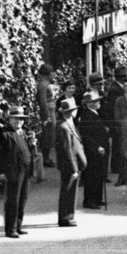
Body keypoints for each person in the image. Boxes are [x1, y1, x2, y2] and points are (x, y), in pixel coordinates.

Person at [0, 107, 40, 238]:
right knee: (13, 200)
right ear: (10, 120)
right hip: (13, 170)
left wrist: (33, 144)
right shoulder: (4, 133)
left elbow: (31, 152)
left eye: (21, 119)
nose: (18, 121)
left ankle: (18, 226)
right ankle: (10, 229)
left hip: (25, 169)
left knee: (23, 199)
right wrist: (2, 171)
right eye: (15, 119)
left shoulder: (24, 133)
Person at [50, 96, 86, 228]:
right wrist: (74, 168)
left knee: (71, 191)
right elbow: (67, 150)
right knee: (67, 191)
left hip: (72, 163)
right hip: (68, 164)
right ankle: (65, 218)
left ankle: (69, 216)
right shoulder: (64, 126)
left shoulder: (69, 124)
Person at [76, 91, 112, 210]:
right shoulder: (87, 116)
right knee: (92, 176)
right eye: (96, 102)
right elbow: (87, 136)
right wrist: (97, 147)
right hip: (93, 151)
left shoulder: (95, 114)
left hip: (100, 149)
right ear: (90, 104)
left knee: (99, 175)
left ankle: (97, 198)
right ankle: (90, 200)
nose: (98, 103)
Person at [33, 65, 59, 168]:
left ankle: (47, 158)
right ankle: (45, 159)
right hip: (48, 113)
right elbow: (42, 102)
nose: (54, 75)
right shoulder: (42, 85)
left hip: (51, 111)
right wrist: (47, 116)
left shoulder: (45, 84)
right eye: (52, 72)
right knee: (48, 136)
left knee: (50, 135)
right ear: (47, 73)